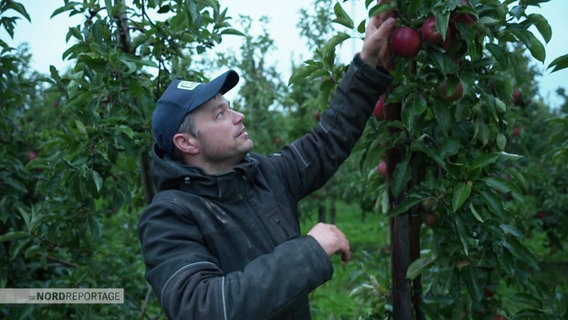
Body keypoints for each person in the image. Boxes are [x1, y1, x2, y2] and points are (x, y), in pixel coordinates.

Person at [138, 7, 396, 320]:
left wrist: (367, 64)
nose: (239, 117)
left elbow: (327, 139)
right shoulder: (169, 217)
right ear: (187, 143)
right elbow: (200, 307)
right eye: (220, 114)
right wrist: (308, 252)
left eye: (230, 107)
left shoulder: (264, 174)